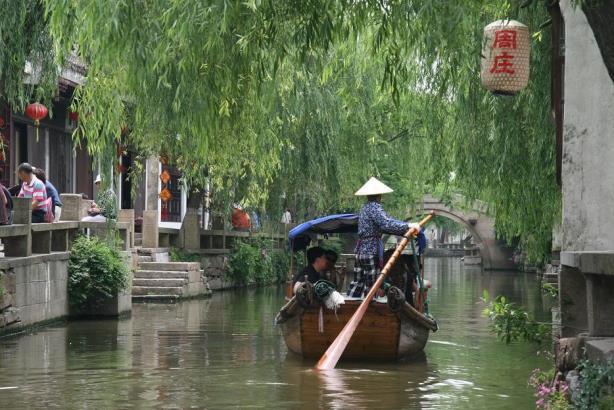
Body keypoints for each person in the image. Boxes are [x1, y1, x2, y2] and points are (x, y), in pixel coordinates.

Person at [347, 177, 421, 298]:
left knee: (357, 282)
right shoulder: (375, 207)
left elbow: (388, 222)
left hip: (360, 251)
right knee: (373, 284)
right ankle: (370, 309)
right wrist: (408, 226)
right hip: (370, 250)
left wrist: (406, 228)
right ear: (379, 195)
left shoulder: (364, 208)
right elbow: (387, 224)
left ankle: (350, 302)